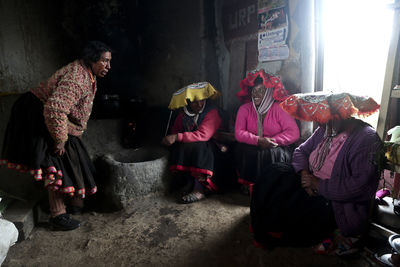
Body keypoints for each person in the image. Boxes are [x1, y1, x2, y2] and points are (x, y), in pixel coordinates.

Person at [250, 92, 381, 255]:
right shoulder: (325, 128)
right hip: (310, 180)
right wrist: (304, 173)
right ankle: (265, 227)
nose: (321, 122)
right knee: (271, 173)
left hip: (334, 199)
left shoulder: (366, 138)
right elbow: (301, 151)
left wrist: (319, 185)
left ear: (344, 114)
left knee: (293, 204)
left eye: (326, 117)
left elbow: (360, 186)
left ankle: (277, 232)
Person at [0, 40, 112, 231]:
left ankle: (76, 204)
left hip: (48, 113)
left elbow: (71, 110)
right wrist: (60, 139)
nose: (109, 66)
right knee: (55, 160)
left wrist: (76, 133)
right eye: (104, 61)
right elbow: (55, 108)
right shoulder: (78, 78)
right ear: (92, 60)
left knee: (74, 154)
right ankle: (58, 215)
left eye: (109, 62)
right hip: (35, 113)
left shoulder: (89, 74)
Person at [234, 69, 299, 192]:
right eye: (254, 91)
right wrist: (259, 140)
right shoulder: (245, 109)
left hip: (276, 146)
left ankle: (269, 188)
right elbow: (239, 132)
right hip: (254, 143)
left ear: (269, 93)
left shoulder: (279, 109)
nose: (256, 94)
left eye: (261, 91)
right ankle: (250, 185)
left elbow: (293, 133)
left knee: (273, 153)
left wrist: (273, 141)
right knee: (244, 150)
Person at [162, 83, 222, 204]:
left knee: (199, 146)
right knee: (180, 146)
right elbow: (175, 131)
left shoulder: (212, 112)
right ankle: (190, 182)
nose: (199, 104)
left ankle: (199, 189)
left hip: (213, 149)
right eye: (194, 102)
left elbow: (204, 135)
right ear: (188, 102)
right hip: (194, 146)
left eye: (201, 100)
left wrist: (177, 137)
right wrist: (170, 138)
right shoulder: (183, 114)